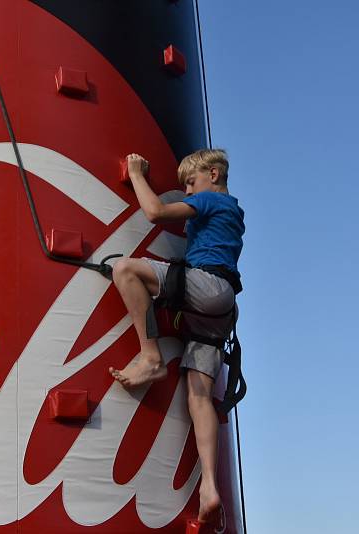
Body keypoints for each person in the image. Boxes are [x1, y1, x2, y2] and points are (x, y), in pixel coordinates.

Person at [108, 148, 244, 527]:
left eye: (191, 182)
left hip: (205, 285)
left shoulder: (209, 200)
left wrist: (135, 173)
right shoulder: (233, 211)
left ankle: (149, 355)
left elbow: (155, 213)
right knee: (199, 394)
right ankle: (210, 486)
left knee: (126, 271)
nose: (187, 192)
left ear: (213, 175)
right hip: (222, 308)